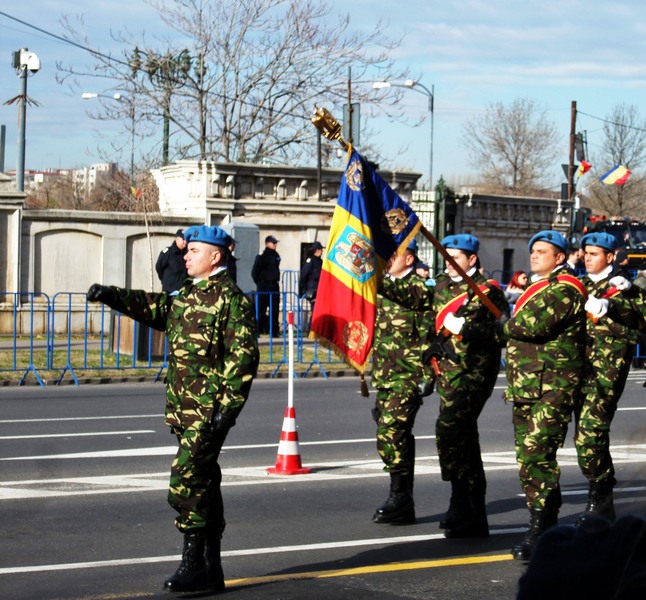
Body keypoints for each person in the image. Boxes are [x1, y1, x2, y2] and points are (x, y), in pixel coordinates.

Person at [86, 225, 259, 593]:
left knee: (186, 479)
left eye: (194, 251)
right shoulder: (188, 295)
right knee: (205, 483)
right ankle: (212, 569)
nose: (186, 255)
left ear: (215, 256)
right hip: (183, 409)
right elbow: (153, 307)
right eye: (187, 250)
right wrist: (111, 295)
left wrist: (226, 412)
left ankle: (193, 564)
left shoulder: (231, 301)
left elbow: (243, 360)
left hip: (208, 412)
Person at [381, 234, 509, 538]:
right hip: (447, 373)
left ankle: (462, 502)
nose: (449, 263)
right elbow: (410, 295)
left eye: (456, 258)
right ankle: (470, 508)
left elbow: (504, 331)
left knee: (450, 428)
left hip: (474, 373)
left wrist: (467, 328)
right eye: (447, 257)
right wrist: (373, 279)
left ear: (472, 259)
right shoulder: (440, 286)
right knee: (463, 437)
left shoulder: (487, 291)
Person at [502, 230, 587, 561]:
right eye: (533, 250)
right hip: (527, 385)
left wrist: (500, 325)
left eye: (542, 251)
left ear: (560, 257)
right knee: (526, 459)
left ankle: (543, 526)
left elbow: (532, 326)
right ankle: (543, 519)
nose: (534, 255)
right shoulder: (537, 287)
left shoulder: (565, 289)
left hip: (554, 385)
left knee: (537, 453)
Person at [574, 232, 639, 524]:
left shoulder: (624, 288)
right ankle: (601, 493)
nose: (587, 258)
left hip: (606, 371)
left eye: (594, 254)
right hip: (576, 369)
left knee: (590, 433)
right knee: (582, 437)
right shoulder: (578, 286)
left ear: (610, 256)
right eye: (585, 253)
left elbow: (639, 321)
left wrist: (612, 306)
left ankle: (600, 499)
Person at [371, 239, 436, 525]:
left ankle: (399, 495)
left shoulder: (420, 288)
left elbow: (430, 335)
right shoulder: (385, 292)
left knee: (391, 432)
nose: (388, 260)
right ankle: (404, 499)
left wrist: (429, 375)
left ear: (410, 259)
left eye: (393, 255)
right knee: (395, 434)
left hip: (410, 376)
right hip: (386, 375)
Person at [252, 235, 281, 335]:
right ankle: (258, 331)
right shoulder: (262, 256)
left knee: (274, 310)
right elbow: (254, 272)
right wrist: (260, 283)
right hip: (263, 285)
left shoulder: (276, 255)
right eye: (273, 243)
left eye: (276, 243)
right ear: (267, 244)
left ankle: (274, 331)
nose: (275, 245)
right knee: (261, 310)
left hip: (274, 285)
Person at [155, 229, 188, 294]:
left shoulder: (187, 253)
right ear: (177, 239)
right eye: (183, 239)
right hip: (170, 291)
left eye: (186, 239)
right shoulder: (167, 253)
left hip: (184, 292)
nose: (185, 242)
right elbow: (159, 267)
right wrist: (165, 280)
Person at [298, 241, 324, 308]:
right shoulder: (310, 261)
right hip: (312, 289)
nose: (322, 251)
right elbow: (303, 275)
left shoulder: (320, 262)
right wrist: (302, 290)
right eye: (321, 249)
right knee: (315, 308)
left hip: (319, 289)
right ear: (317, 250)